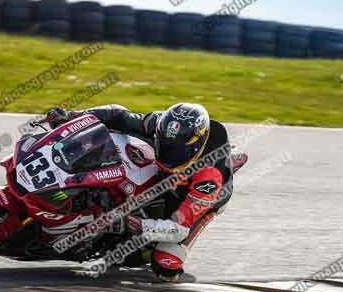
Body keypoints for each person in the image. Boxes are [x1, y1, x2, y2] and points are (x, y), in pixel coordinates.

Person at [45, 104, 247, 281]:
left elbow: (179, 228)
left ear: (195, 148)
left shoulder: (210, 177)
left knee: (166, 264)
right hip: (167, 174)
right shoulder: (161, 125)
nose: (168, 154)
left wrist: (138, 224)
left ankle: (147, 249)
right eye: (165, 146)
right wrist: (73, 116)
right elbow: (118, 115)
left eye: (175, 151)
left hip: (198, 198)